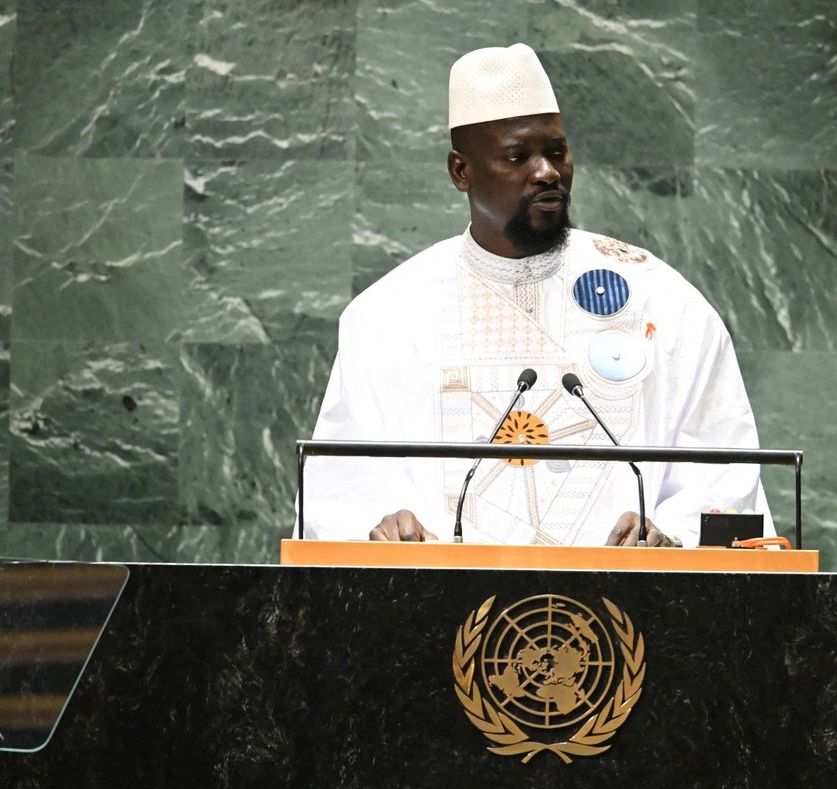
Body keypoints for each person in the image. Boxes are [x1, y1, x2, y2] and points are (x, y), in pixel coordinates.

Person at [301, 43, 773, 547]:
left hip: (630, 615)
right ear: (461, 171)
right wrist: (385, 526)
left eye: (556, 151)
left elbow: (724, 474)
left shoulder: (660, 300)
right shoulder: (387, 316)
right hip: (438, 617)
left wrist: (670, 537)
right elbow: (338, 491)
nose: (547, 172)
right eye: (517, 156)